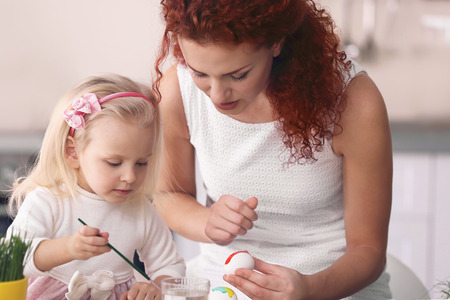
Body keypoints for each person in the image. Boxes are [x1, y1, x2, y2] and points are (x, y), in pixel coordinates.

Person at [153, 0, 392, 299]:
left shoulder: (353, 101)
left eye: (237, 75)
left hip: (329, 286)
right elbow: (168, 195)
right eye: (200, 73)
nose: (216, 95)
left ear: (276, 43)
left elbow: (369, 251)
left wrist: (311, 289)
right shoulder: (178, 89)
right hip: (221, 283)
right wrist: (206, 221)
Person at [6, 74, 186, 300]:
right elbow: (11, 261)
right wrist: (68, 248)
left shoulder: (141, 210)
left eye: (142, 163)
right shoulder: (48, 201)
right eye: (114, 163)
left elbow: (170, 265)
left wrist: (157, 287)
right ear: (73, 153)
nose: (130, 176)